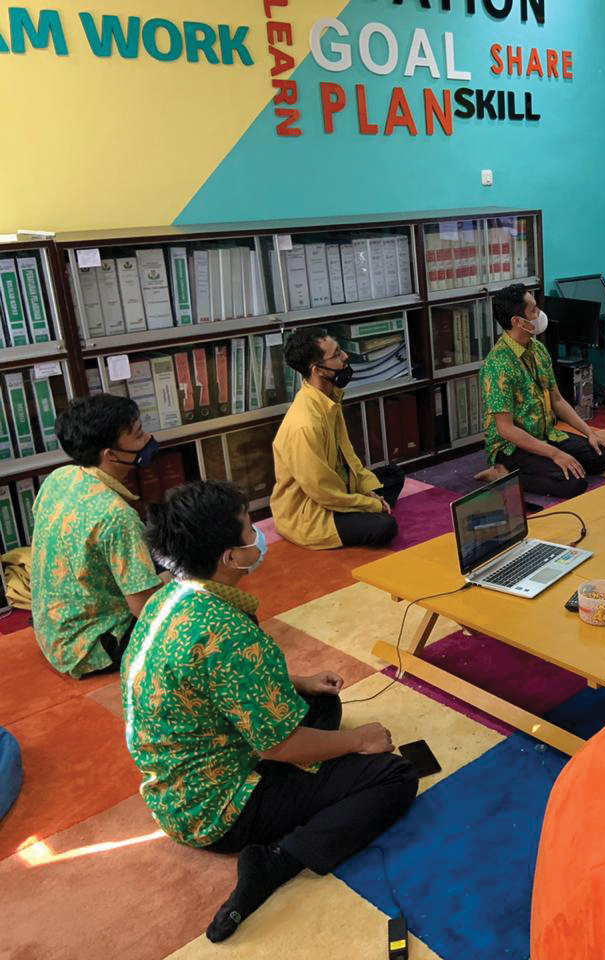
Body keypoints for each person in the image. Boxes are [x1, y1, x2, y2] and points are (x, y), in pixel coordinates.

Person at [122, 481, 416, 942]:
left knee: (322, 701)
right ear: (228, 557)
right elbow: (280, 744)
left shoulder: (168, 598)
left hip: (177, 784)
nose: (257, 534)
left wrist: (297, 682)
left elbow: (214, 686)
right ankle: (279, 861)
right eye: (247, 529)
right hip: (218, 809)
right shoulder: (224, 632)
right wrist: (361, 741)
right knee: (393, 777)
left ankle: (294, 804)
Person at [30, 395, 163, 677]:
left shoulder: (59, 478)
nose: (148, 438)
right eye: (138, 435)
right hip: (91, 648)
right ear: (110, 454)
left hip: (53, 631)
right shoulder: (116, 515)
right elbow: (146, 610)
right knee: (210, 605)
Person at [270, 327, 405, 549]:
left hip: (338, 489)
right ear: (318, 370)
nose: (345, 357)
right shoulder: (304, 425)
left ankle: (371, 505)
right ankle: (372, 510)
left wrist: (366, 490)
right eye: (336, 355)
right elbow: (323, 492)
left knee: (393, 474)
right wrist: (368, 504)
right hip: (311, 512)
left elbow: (348, 457)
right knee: (385, 527)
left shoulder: (328, 398)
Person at [478, 283, 605, 498]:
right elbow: (506, 430)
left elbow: (557, 400)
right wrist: (556, 454)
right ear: (517, 321)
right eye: (533, 310)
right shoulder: (498, 365)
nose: (539, 314)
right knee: (574, 483)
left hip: (544, 434)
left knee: (601, 455)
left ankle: (540, 464)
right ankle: (502, 473)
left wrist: (590, 434)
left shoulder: (538, 349)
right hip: (512, 447)